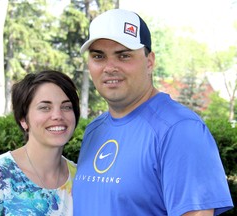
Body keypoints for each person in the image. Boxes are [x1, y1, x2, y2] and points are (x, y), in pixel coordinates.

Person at [73, 8, 233, 215]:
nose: (109, 67)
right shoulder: (95, 130)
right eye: (98, 56)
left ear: (150, 62)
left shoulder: (181, 130)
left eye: (123, 56)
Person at [0, 70, 80, 215]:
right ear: (23, 119)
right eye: (45, 107)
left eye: (66, 107)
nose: (58, 115)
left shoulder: (81, 177)